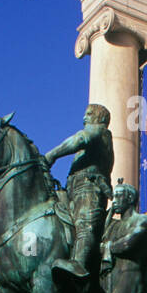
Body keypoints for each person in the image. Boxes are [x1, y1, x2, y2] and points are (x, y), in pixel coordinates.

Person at [43, 104, 114, 283]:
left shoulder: (100, 132)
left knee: (85, 222)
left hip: (90, 187)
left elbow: (81, 139)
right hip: (73, 188)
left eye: (89, 114)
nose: (85, 118)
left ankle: (79, 263)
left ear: (100, 118)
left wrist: (51, 155)